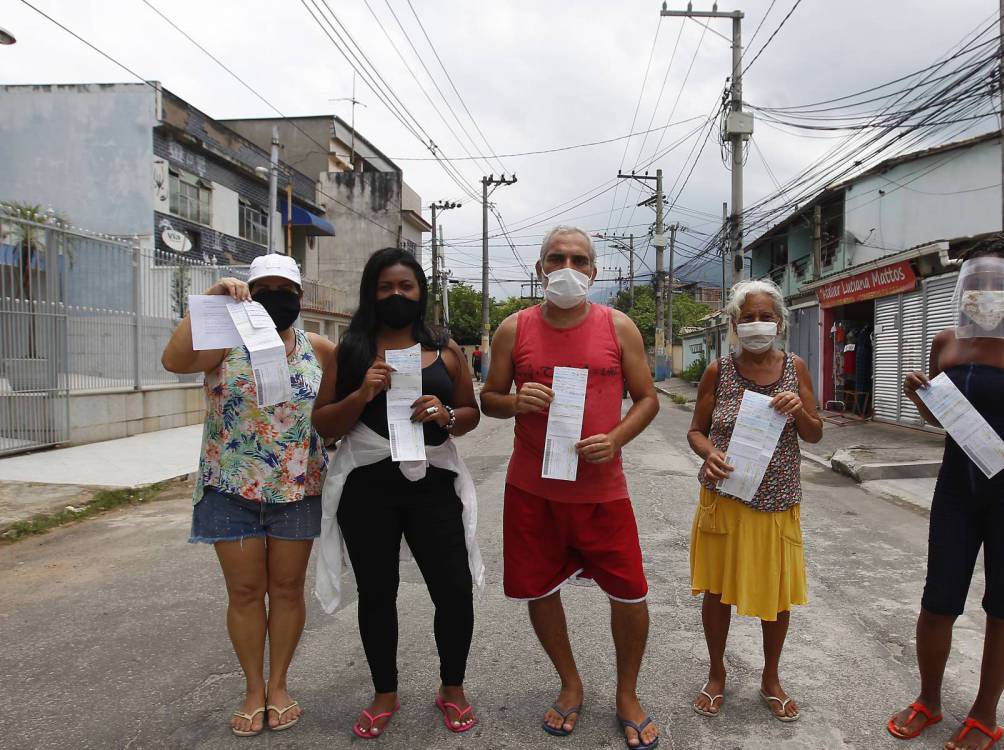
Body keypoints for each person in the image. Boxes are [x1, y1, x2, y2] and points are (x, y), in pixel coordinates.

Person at [480, 225, 662, 749]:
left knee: (630, 593)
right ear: (540, 269)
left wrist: (618, 438)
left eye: (578, 260)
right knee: (540, 588)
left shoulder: (618, 326)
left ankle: (627, 692)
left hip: (603, 490)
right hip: (533, 490)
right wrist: (515, 402)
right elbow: (490, 397)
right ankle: (570, 682)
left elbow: (647, 397)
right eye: (556, 258)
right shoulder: (513, 329)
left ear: (593, 271)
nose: (567, 268)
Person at [886, 236, 1004, 750]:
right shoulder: (946, 344)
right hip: (956, 489)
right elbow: (945, 418)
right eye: (975, 285)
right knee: (938, 599)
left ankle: (985, 714)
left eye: (995, 285)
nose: (984, 293)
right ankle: (929, 700)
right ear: (962, 290)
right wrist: (920, 396)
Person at [312, 247, 483, 739]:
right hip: (368, 487)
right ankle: (384, 691)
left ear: (420, 292)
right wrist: (361, 393)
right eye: (385, 287)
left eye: (405, 287)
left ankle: (452, 687)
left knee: (452, 589)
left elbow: (470, 413)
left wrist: (445, 415)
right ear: (372, 293)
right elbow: (323, 423)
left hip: (431, 484)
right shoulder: (351, 351)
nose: (396, 295)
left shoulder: (446, 350)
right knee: (377, 593)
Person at [161, 253, 332, 737]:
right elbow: (173, 361)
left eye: (286, 289)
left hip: (298, 489)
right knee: (244, 592)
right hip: (229, 490)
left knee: (286, 590)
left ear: (299, 298)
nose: (275, 297)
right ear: (249, 295)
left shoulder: (317, 347)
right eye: (264, 289)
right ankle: (253, 689)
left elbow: (331, 410)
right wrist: (211, 302)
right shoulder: (221, 342)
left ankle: (279, 685)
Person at [685, 279, 823, 722]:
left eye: (766, 317)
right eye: (748, 318)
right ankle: (716, 674)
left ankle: (771, 678)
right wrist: (710, 454)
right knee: (717, 593)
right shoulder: (718, 371)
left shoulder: (795, 368)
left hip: (776, 503)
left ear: (780, 323)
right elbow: (695, 431)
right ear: (733, 324)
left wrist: (799, 409)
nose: (758, 325)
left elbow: (815, 433)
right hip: (724, 498)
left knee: (776, 596)